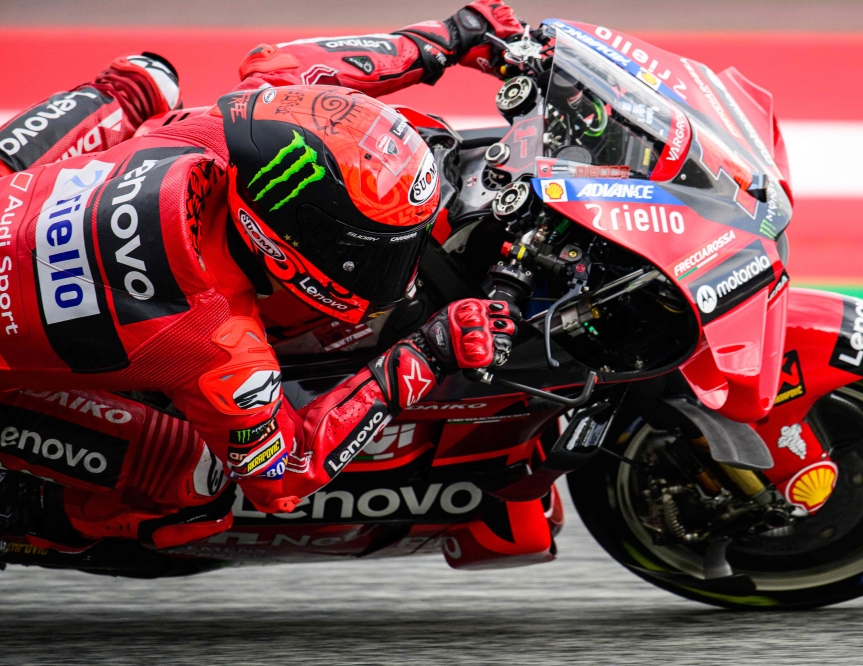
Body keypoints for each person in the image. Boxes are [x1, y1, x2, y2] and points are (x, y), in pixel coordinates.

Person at [0, 0, 522, 552]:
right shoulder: (216, 340)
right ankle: (21, 514)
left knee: (144, 81)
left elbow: (289, 64)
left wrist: (447, 36)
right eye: (375, 254)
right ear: (281, 248)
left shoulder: (224, 128)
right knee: (197, 487)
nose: (399, 270)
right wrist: (423, 356)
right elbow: (284, 479)